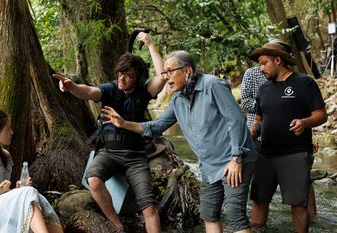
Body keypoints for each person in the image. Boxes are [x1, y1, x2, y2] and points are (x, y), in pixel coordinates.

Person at [101, 50, 257, 233]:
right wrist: (124, 124)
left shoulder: (212, 85)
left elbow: (236, 120)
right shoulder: (178, 100)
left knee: (234, 214)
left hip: (234, 160)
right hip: (208, 166)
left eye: (170, 71)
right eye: (164, 73)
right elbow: (157, 126)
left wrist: (236, 158)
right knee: (209, 214)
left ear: (187, 71)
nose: (166, 78)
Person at [53, 33, 164, 233]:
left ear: (138, 79)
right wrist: (71, 87)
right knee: (93, 179)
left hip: (136, 156)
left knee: (148, 205)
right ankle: (117, 225)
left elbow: (163, 75)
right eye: (121, 73)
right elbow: (87, 92)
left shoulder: (143, 92)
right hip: (109, 152)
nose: (122, 78)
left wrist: (150, 44)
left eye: (129, 76)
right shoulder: (109, 89)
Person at [248, 39, 328, 233]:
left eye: (264, 63)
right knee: (258, 199)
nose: (261, 69)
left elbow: (321, 114)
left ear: (277, 60)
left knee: (298, 204)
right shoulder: (264, 88)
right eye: (259, 64)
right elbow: (259, 118)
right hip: (265, 153)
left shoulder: (304, 82)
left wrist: (305, 122)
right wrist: (249, 134)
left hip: (295, 153)